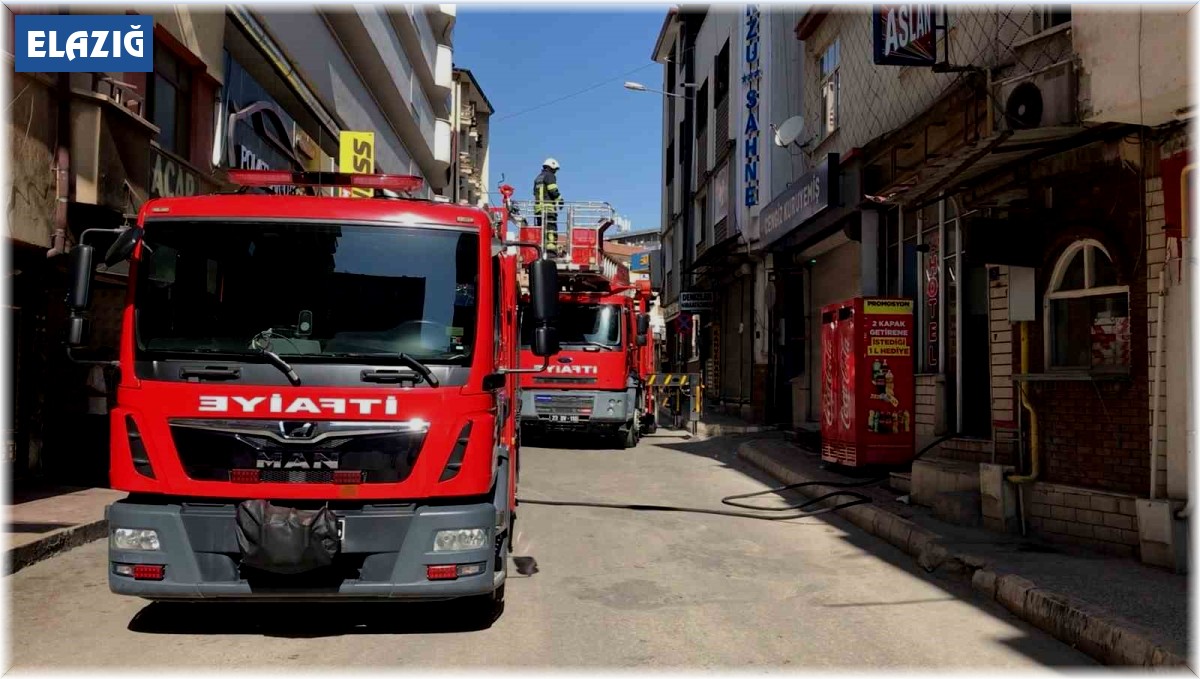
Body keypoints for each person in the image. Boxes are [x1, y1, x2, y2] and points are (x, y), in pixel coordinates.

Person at [533, 158, 563, 253]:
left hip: (538, 209)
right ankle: (551, 248)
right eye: (555, 170)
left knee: (541, 228)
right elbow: (553, 190)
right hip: (548, 208)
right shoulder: (550, 176)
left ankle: (541, 247)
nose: (555, 172)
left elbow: (535, 193)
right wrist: (560, 200)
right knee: (551, 228)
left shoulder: (538, 178)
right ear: (551, 167)